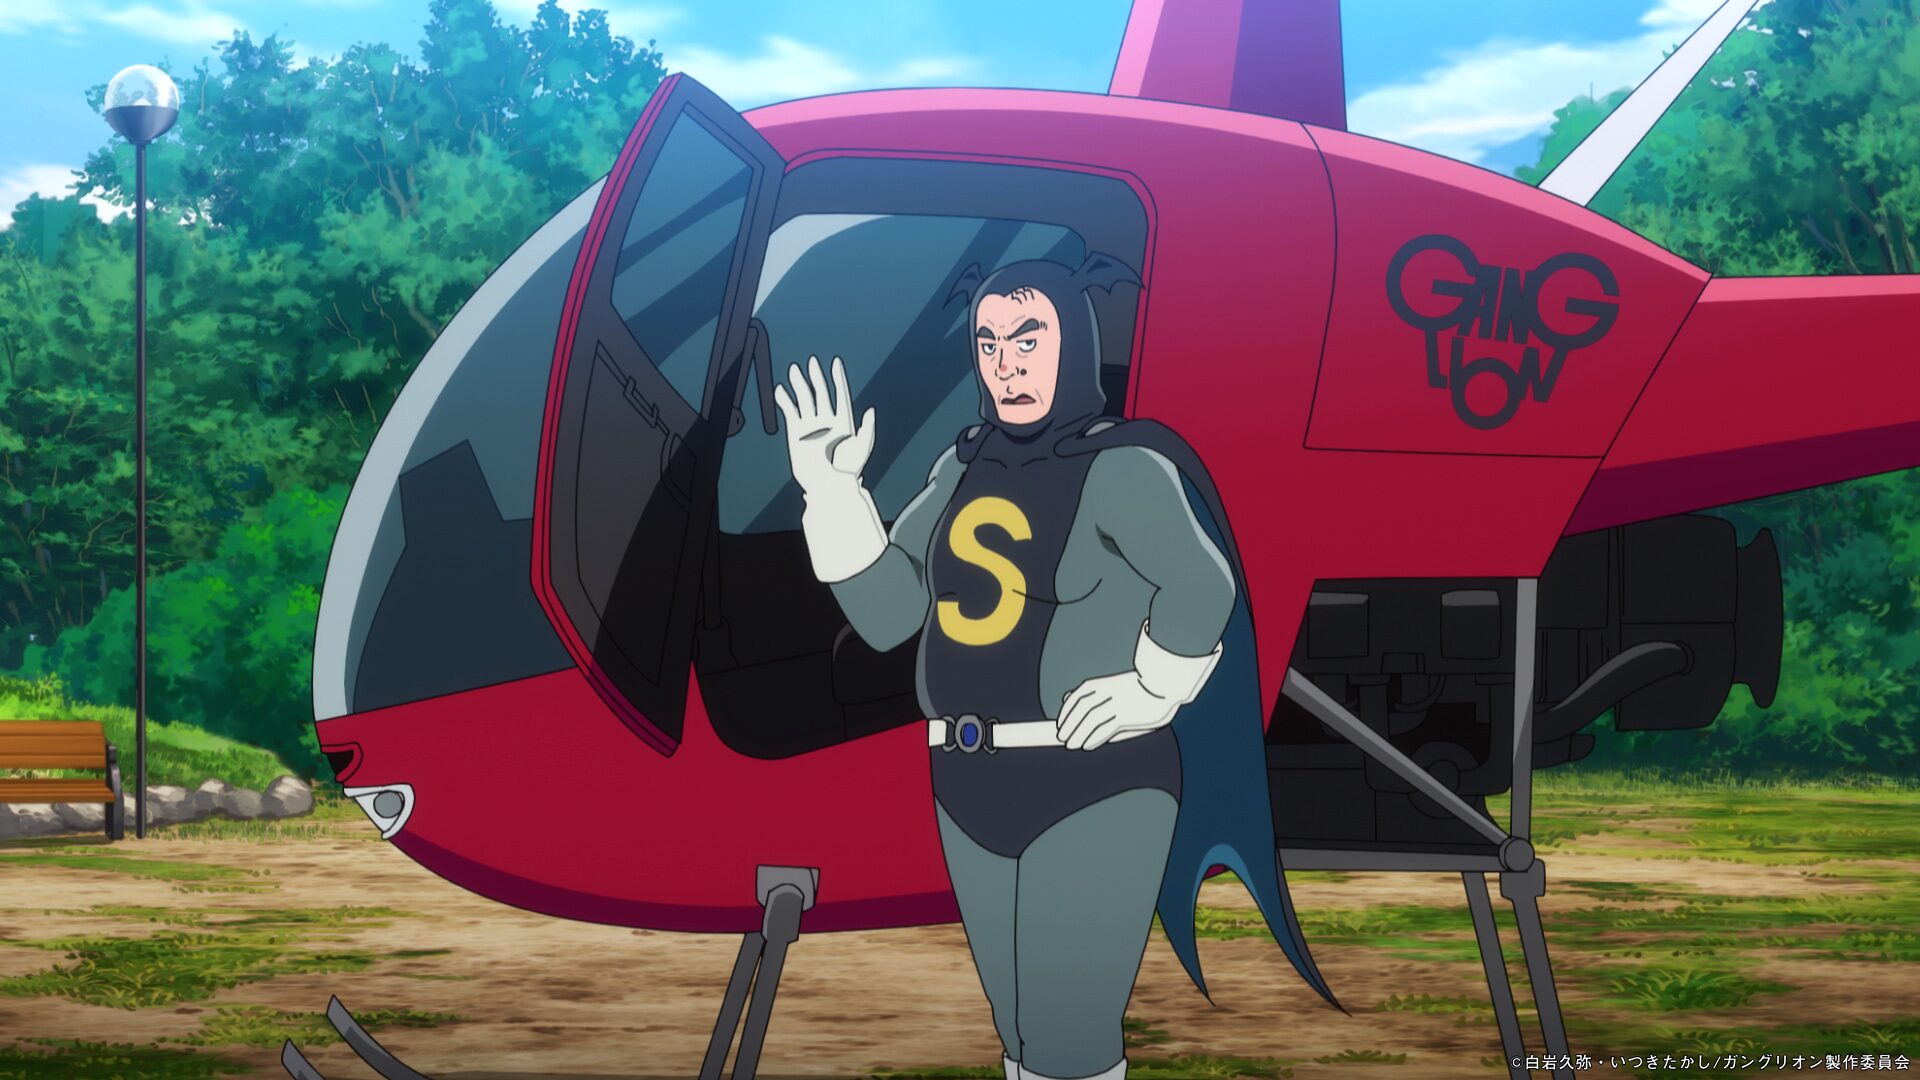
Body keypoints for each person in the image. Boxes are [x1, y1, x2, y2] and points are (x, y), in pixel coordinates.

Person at [773, 252, 1341, 1080]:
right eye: (989, 343)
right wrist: (831, 493)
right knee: (1019, 1033)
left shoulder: (1122, 466)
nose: (1006, 364)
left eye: (1028, 338)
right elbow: (889, 614)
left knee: (1067, 1035)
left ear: (1074, 340)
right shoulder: (961, 468)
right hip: (966, 787)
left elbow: (1202, 583)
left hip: (1096, 786)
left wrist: (1154, 687)